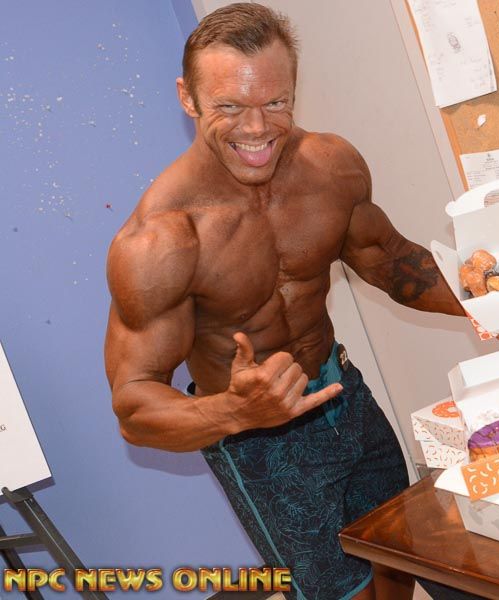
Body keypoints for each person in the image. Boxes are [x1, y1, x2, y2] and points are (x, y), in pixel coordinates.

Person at [104, 4, 468, 599]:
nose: (257, 129)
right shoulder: (162, 239)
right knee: (341, 593)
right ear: (188, 98)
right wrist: (237, 413)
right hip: (261, 443)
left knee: (398, 559)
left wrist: (492, 298)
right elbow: (134, 407)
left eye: (275, 102)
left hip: (343, 394)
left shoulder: (331, 166)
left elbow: (388, 260)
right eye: (229, 106)